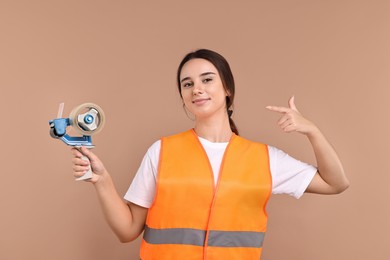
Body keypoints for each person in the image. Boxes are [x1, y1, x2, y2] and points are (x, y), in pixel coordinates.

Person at [71, 49, 349, 260]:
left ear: (227, 89)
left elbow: (335, 183)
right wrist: (103, 180)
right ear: (182, 96)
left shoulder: (265, 158)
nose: (197, 89)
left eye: (207, 79)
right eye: (187, 84)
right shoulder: (162, 151)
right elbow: (127, 230)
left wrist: (313, 131)